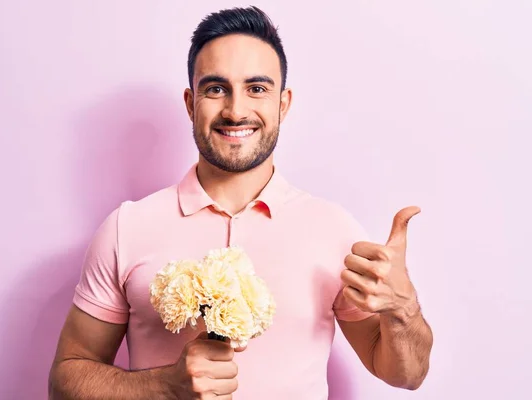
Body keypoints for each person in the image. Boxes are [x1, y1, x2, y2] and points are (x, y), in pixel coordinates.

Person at [48, 6, 433, 400]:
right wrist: (162, 387)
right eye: (216, 89)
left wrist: (404, 309)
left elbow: (406, 375)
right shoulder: (125, 228)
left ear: (282, 104)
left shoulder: (333, 230)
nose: (235, 110)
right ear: (190, 103)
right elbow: (64, 381)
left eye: (257, 89)